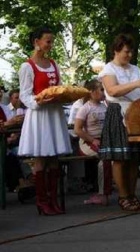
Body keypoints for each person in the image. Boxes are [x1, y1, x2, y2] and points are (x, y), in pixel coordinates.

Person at [18, 27, 72, 215]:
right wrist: (39, 101)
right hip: (40, 115)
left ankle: (53, 199)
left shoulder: (53, 64)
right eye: (48, 41)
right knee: (41, 156)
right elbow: (24, 95)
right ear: (36, 42)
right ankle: (42, 200)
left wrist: (63, 96)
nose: (51, 44)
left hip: (54, 113)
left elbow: (57, 87)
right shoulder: (27, 66)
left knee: (54, 157)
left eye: (52, 41)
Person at [98, 33, 140, 211]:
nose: (129, 55)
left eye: (131, 52)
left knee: (133, 158)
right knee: (120, 158)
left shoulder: (135, 69)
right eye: (126, 52)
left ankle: (132, 194)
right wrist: (137, 83)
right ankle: (123, 196)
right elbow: (113, 90)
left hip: (136, 113)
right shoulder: (109, 69)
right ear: (116, 50)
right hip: (118, 113)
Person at [74, 79, 111, 205]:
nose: (103, 92)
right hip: (87, 143)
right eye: (101, 89)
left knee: (115, 157)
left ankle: (108, 192)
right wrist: (92, 140)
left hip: (103, 142)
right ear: (92, 92)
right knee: (105, 158)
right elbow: (77, 130)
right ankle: (102, 194)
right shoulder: (84, 108)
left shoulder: (104, 106)